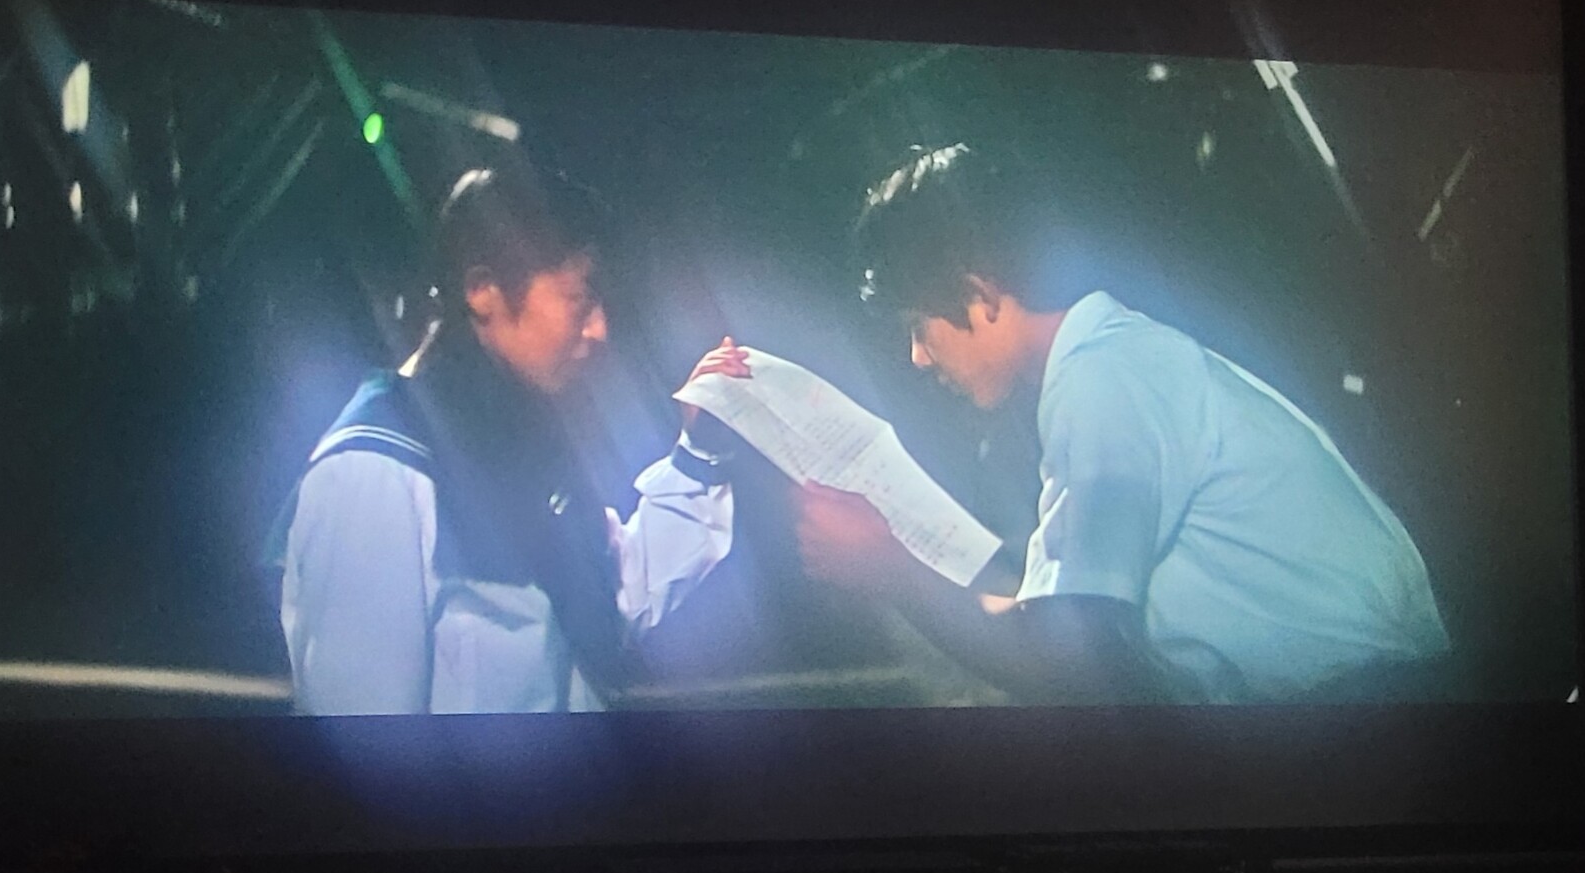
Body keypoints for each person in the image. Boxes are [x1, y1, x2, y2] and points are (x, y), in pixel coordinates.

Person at [791, 143, 1450, 705]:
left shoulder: (1102, 380)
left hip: (1372, 708)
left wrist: (891, 571)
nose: (916, 356)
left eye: (918, 325)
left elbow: (1074, 668)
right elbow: (1051, 614)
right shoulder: (1111, 361)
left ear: (979, 293)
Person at [271, 163, 747, 714]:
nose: (600, 329)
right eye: (579, 299)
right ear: (482, 290)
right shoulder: (374, 470)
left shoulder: (516, 442)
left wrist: (701, 453)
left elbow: (611, 595)